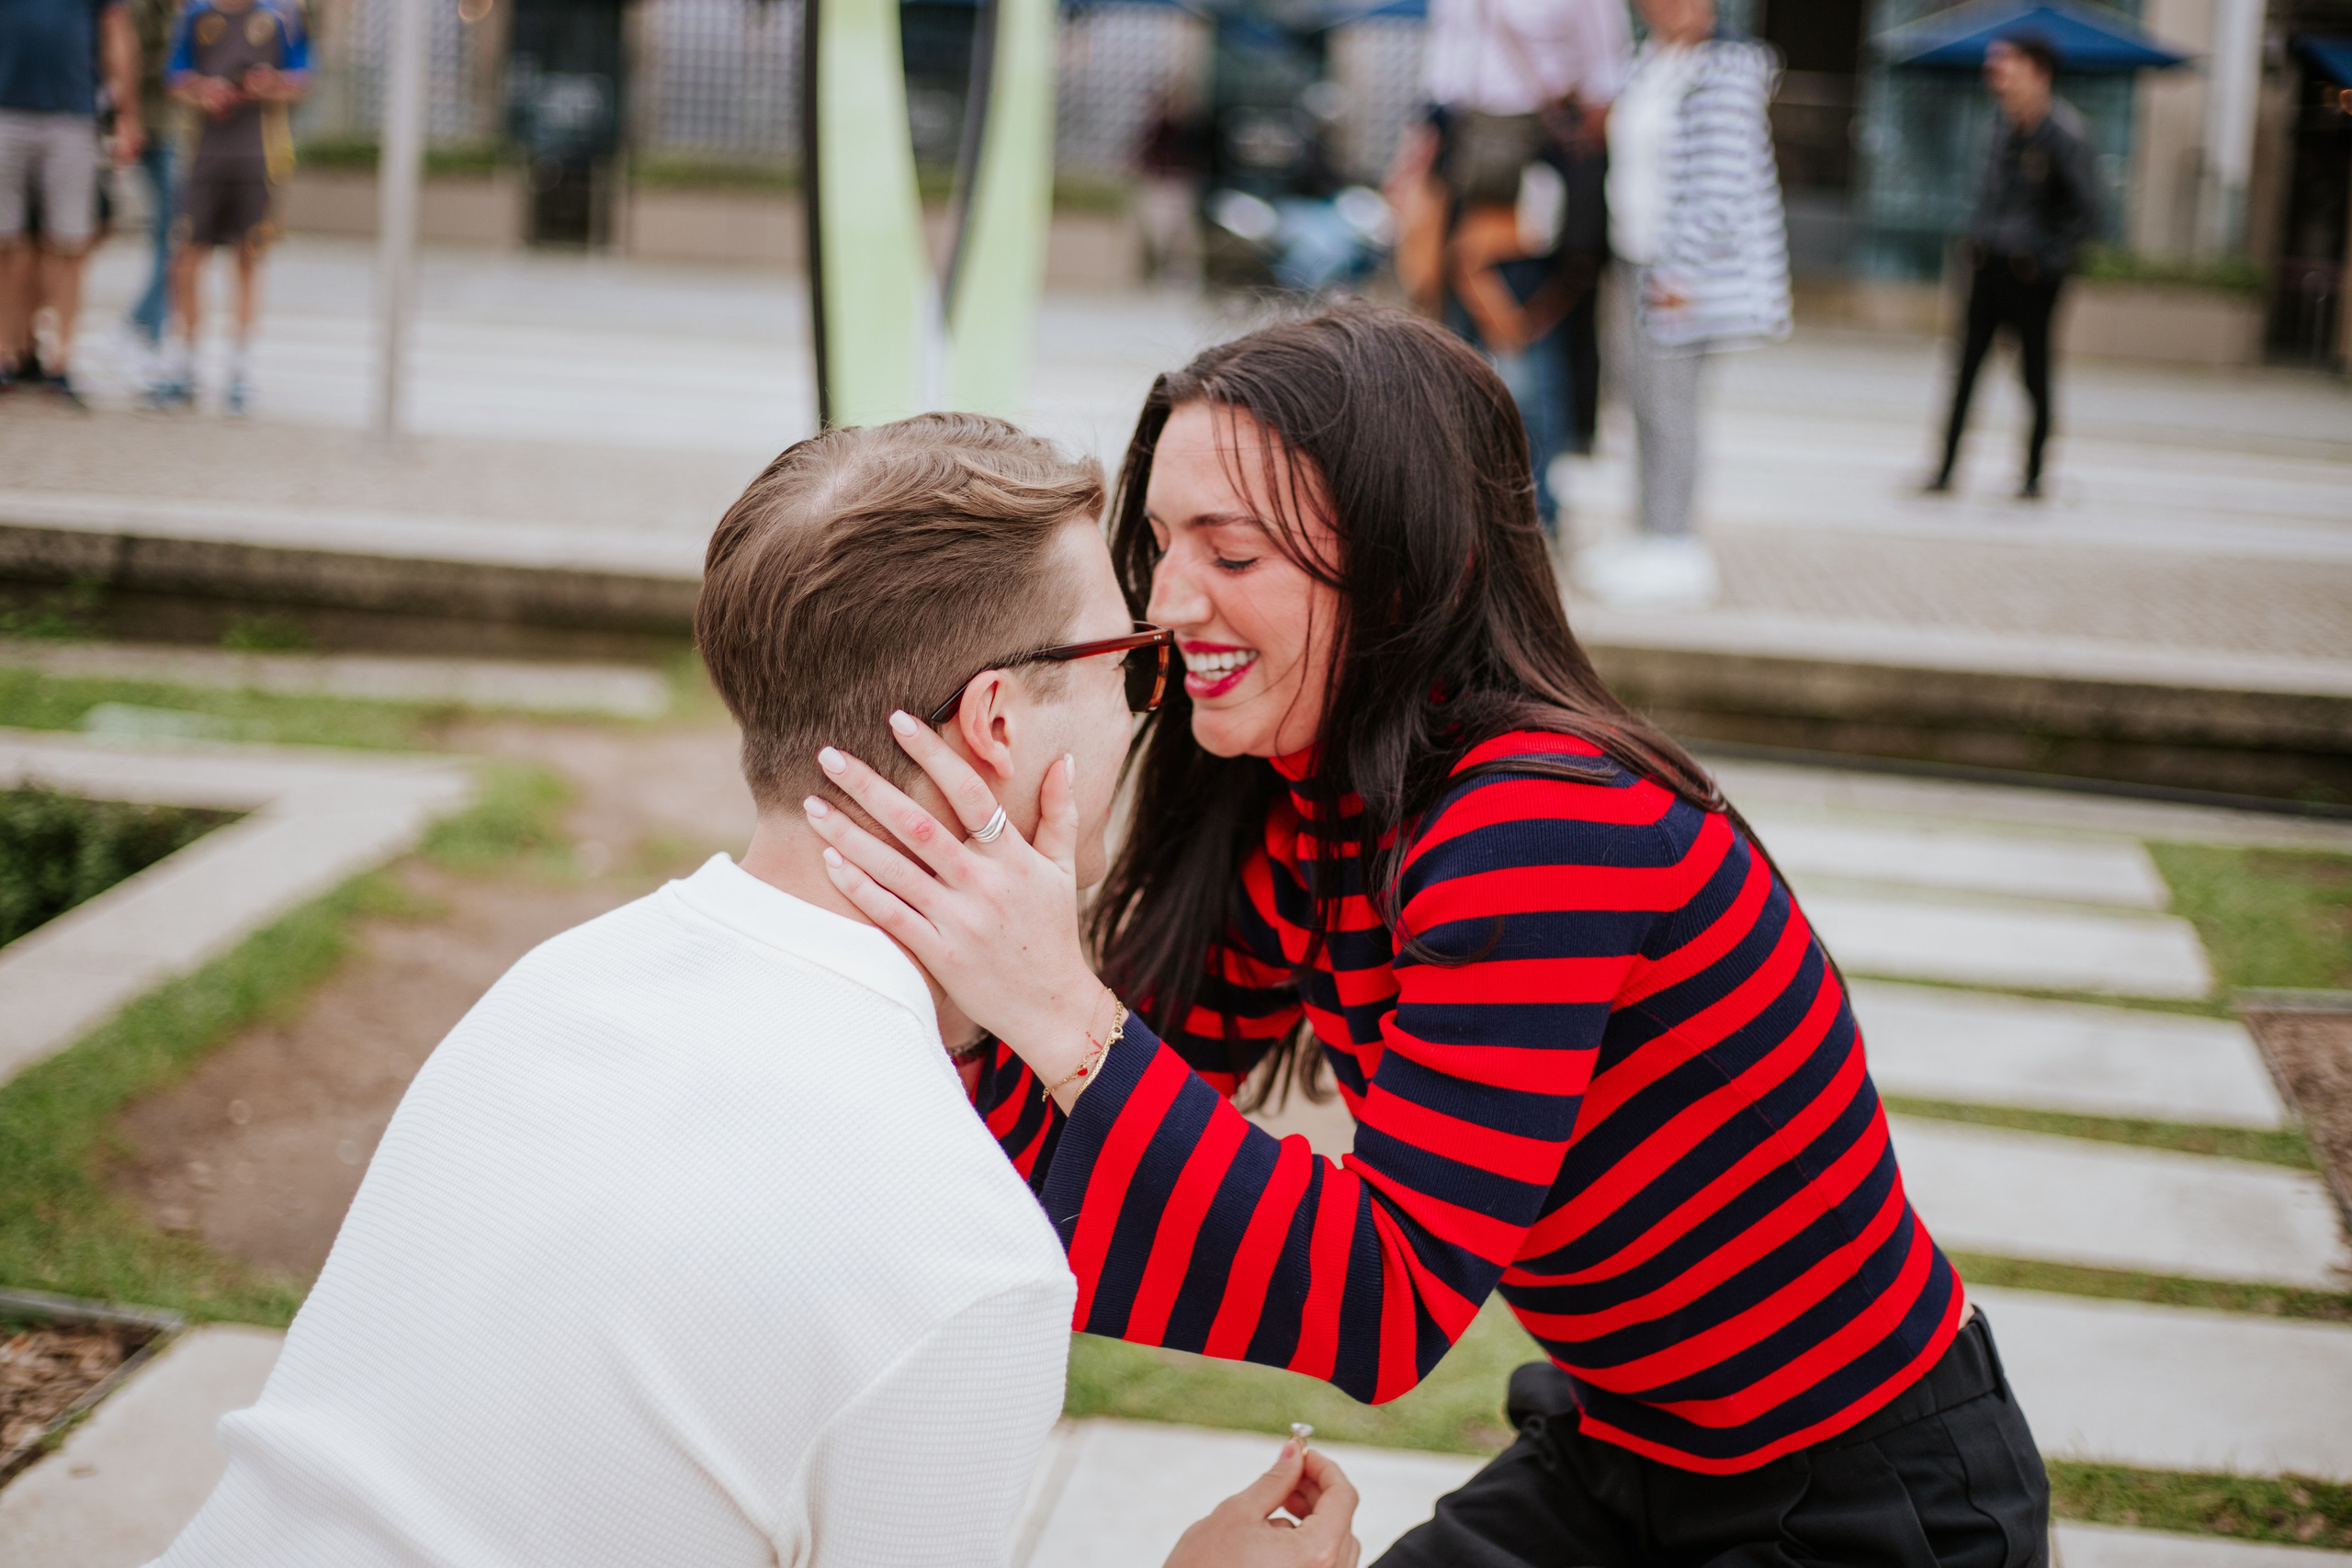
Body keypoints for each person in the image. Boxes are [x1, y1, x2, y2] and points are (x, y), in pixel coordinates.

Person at [808, 305, 2050, 1567]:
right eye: (1163, 545)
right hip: (1628, 1451)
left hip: (1864, 1492)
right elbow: (1077, 1143)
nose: (1169, 603)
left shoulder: (1543, 821)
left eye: (1231, 552)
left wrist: (1060, 1008)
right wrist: (952, 996)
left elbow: (1385, 1299)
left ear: (1405, 569)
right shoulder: (1302, 808)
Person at [146, 414, 1362, 1568]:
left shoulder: (548, 988)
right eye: (1130, 665)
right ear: (997, 721)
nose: (1146, 709)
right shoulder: (967, 1251)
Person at [1574, 0, 1787, 610]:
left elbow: (1722, 181)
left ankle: (1674, 545)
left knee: (1672, 408)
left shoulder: (1727, 71)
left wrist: (1682, 269)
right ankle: (1647, 531)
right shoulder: (1647, 62)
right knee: (1639, 401)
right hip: (1634, 257)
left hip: (1681, 272)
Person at [1411, 0, 1628, 531]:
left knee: (1523, 343)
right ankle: (1462, 500)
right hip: (1463, 164)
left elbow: (1605, 83)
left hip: (1528, 175)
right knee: (1455, 344)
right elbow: (1442, 76)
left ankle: (1534, 506)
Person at [1926, 32, 2099, 502]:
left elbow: (2084, 211)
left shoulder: (2065, 134)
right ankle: (1944, 469)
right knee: (1965, 370)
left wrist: (2047, 260)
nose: (1998, 78)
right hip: (1989, 268)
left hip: (2032, 276)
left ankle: (2034, 474)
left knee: (2035, 374)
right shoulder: (2001, 128)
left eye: (2008, 68)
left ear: (2038, 74)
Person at [151, 0, 305, 414]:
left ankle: (240, 368)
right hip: (204, 154)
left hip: (259, 156)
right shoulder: (196, 15)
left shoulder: (281, 16)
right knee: (186, 257)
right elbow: (174, 80)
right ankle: (185, 362)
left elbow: (302, 80)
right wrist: (203, 92)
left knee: (248, 258)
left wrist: (268, 84)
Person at [0, 0, 141, 404]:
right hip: (7, 111)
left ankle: (61, 361)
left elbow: (116, 36)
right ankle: (8, 354)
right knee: (6, 245)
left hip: (72, 114)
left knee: (70, 243)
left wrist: (127, 116)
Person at [124, 0, 183, 371]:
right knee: (174, 232)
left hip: (176, 129)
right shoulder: (146, 7)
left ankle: (149, 328)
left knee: (173, 233)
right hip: (153, 130)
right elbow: (129, 61)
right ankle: (142, 327)